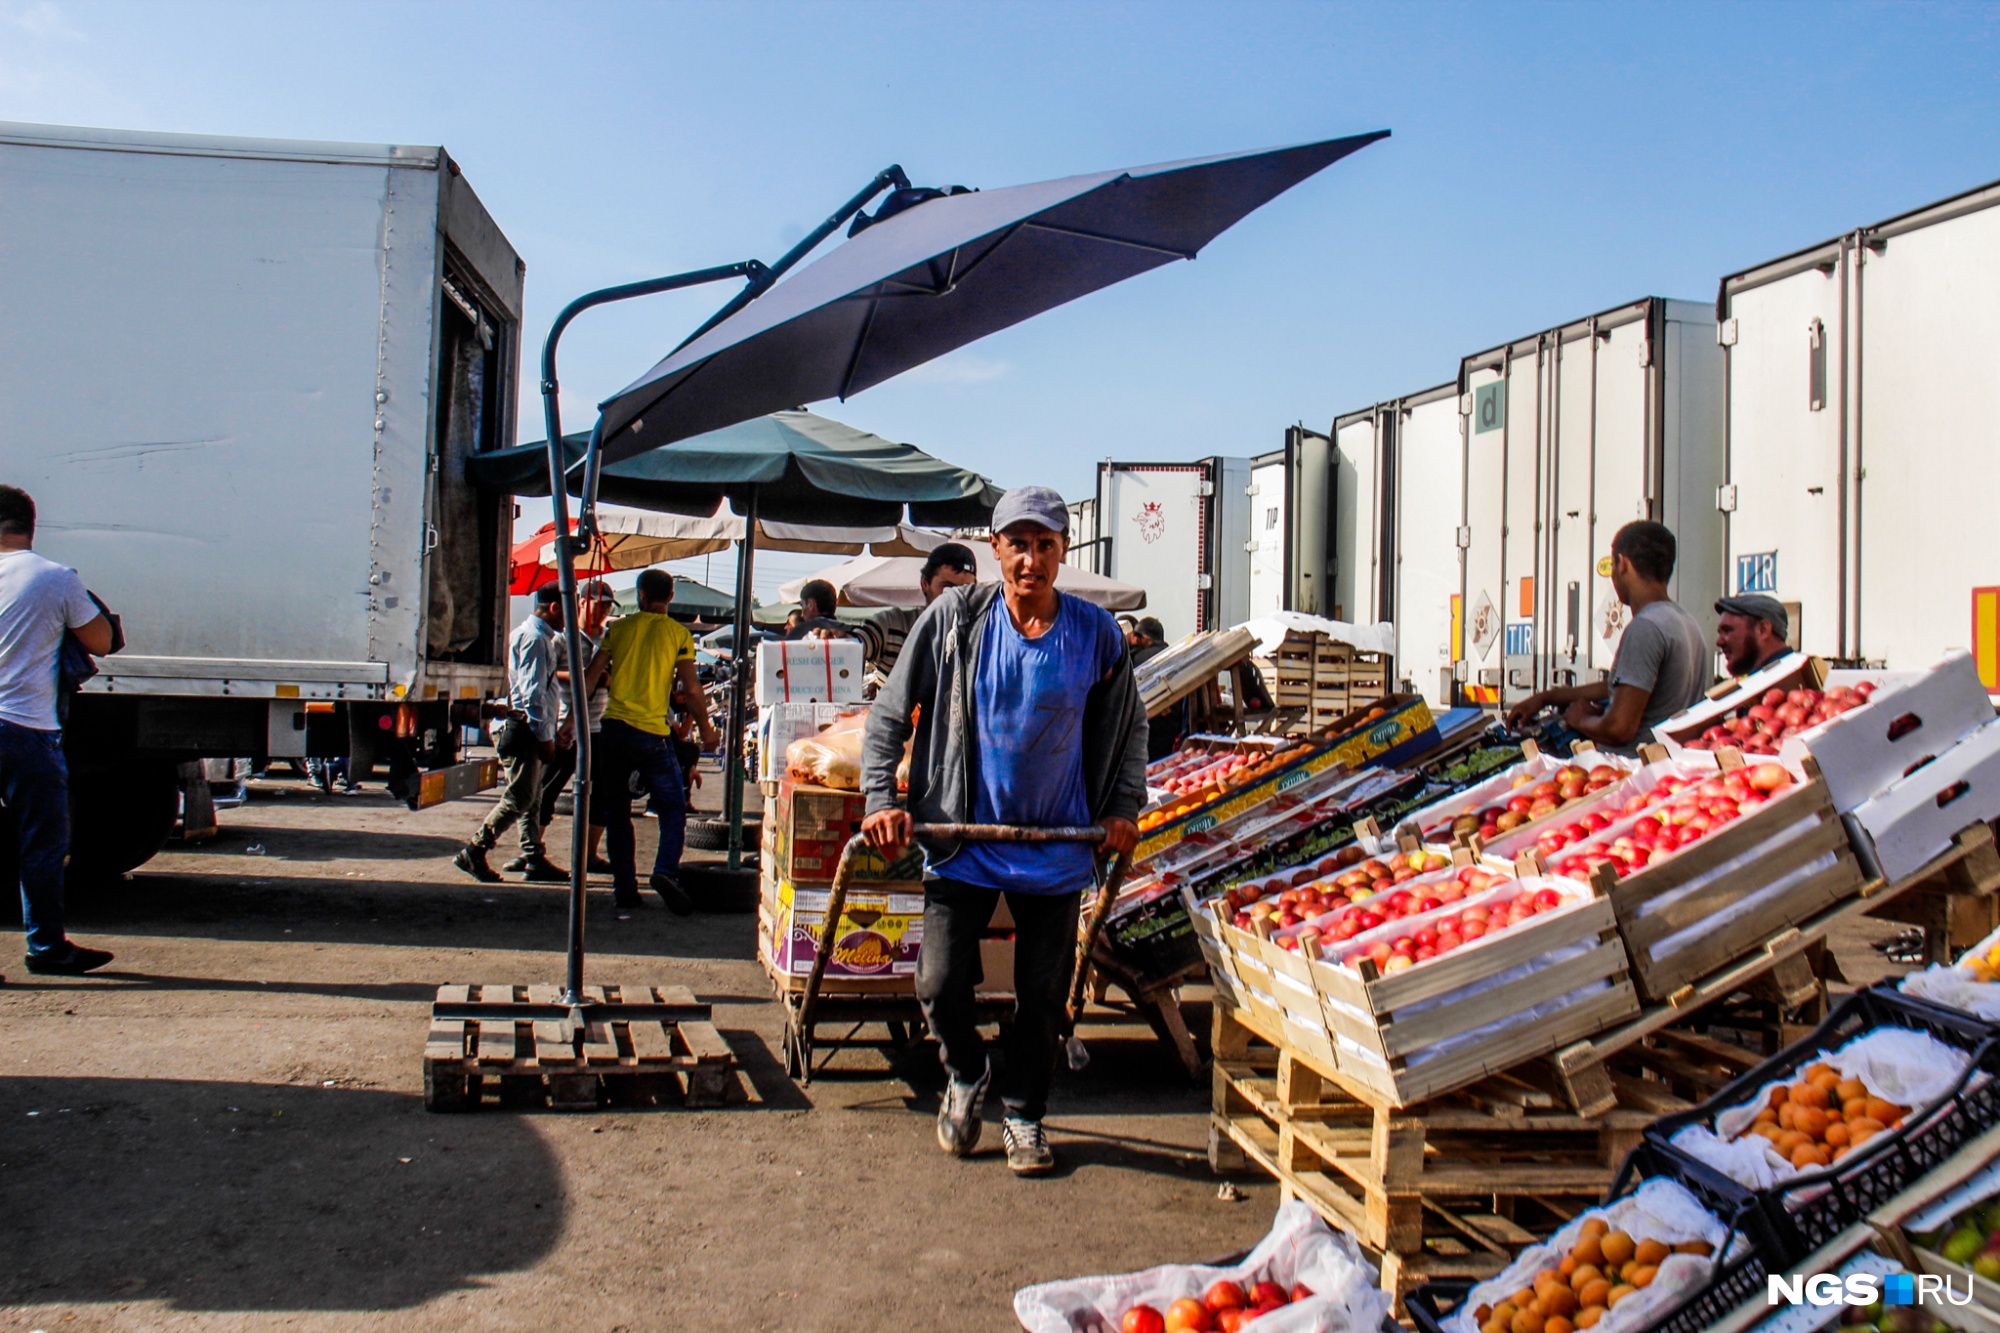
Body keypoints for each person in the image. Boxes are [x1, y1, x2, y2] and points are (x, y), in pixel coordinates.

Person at [860, 485, 1147, 1177]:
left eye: (1045, 544)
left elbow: (1129, 727)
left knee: (1044, 995)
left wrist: (1122, 809)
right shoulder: (955, 621)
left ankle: (1023, 1113)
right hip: (964, 839)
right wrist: (879, 797)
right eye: (1018, 544)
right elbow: (889, 715)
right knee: (938, 982)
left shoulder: (1096, 633)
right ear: (996, 550)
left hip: (1056, 845)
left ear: (1062, 552)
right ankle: (965, 1071)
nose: (1031, 559)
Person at [0, 486, 117, 975]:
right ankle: (46, 948)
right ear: (31, 526)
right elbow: (103, 642)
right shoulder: (54, 578)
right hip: (25, 730)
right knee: (41, 847)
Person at [1506, 520, 1711, 750]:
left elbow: (1618, 728)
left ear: (1622, 563)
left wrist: (1581, 719)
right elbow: (1631, 685)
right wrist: (1548, 698)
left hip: (1637, 771)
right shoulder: (1685, 622)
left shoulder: (1645, 628)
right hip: (1670, 767)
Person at [584, 569, 720, 913]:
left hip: (612, 731)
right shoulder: (678, 634)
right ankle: (664, 871)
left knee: (617, 813)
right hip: (653, 735)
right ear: (671, 597)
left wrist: (572, 721)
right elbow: (691, 688)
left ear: (640, 595)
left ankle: (625, 891)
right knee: (673, 808)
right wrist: (706, 730)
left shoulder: (619, 629)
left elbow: (590, 678)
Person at [454, 584, 565, 883]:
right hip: (522, 728)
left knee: (533, 797)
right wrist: (545, 737)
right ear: (554, 607)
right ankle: (475, 849)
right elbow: (532, 695)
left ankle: (534, 856)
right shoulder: (534, 639)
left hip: (525, 726)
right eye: (569, 608)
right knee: (520, 797)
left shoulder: (535, 637)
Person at [529, 579, 617, 876]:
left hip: (598, 727)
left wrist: (608, 679)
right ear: (581, 603)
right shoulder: (563, 640)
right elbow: (546, 672)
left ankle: (589, 856)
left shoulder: (610, 639)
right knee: (545, 791)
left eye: (607, 605)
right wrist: (585, 676)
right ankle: (532, 850)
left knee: (600, 796)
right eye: (599, 603)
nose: (603, 609)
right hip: (565, 727)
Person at [1714, 594, 1794, 678]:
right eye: (1720, 633)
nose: (1719, 642)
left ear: (1763, 630)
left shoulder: (1787, 681)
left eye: (1727, 630)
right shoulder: (1784, 675)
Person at [786, 578, 850, 640]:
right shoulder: (849, 633)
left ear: (811, 605)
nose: (802, 615)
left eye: (802, 605)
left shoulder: (799, 632)